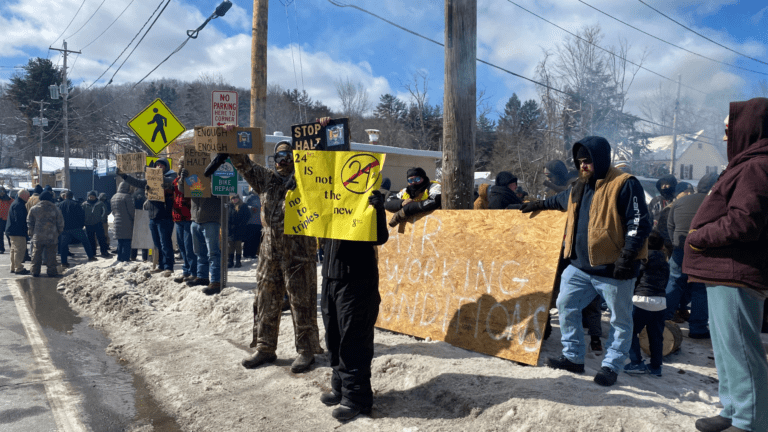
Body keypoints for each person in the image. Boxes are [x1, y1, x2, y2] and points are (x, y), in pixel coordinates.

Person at [520, 136, 652, 387]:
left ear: (601, 160)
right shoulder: (580, 187)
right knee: (565, 304)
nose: (583, 166)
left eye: (588, 161)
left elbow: (639, 222)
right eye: (579, 161)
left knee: (620, 319)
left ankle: (611, 366)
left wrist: (627, 257)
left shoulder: (624, 184)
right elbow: (557, 201)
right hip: (580, 267)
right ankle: (573, 357)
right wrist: (536, 204)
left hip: (614, 269)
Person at [685, 100, 768, 432]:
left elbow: (744, 221)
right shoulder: (747, 165)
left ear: (748, 127)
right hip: (724, 272)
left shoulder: (758, 166)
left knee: (742, 353)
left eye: (727, 130)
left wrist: (698, 236)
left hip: (737, 273)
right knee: (726, 350)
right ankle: (733, 410)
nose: (724, 138)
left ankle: (750, 422)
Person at [219, 140, 322, 374]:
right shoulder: (266, 179)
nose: (282, 160)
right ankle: (265, 348)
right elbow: (244, 164)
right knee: (266, 299)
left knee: (301, 299)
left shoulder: (309, 179)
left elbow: (327, 164)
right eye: (279, 156)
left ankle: (306, 351)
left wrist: (325, 134)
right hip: (269, 249)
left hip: (299, 249)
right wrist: (230, 140)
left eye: (288, 155)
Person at [319, 190, 389, 421]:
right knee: (334, 337)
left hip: (356, 280)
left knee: (353, 340)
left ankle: (357, 398)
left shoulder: (365, 198)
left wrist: (378, 209)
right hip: (330, 278)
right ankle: (340, 387)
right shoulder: (328, 198)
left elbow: (380, 237)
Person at [665, 173, 718, 338]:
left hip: (679, 248)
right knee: (700, 289)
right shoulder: (716, 203)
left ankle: (663, 321)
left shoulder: (680, 201)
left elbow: (670, 225)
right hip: (703, 251)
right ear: (714, 187)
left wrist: (675, 243)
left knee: (674, 282)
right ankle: (698, 328)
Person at [118, 158, 176, 276]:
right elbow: (137, 182)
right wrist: (124, 176)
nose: (159, 167)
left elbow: (170, 181)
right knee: (157, 244)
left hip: (165, 215)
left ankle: (169, 266)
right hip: (153, 215)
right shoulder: (150, 178)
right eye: (157, 165)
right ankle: (161, 265)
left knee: (166, 243)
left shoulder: (172, 175)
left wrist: (155, 175)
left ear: (166, 167)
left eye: (162, 166)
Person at [624, 231, 669, 377]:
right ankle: (656, 367)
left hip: (641, 301)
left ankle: (636, 362)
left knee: (630, 332)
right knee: (656, 336)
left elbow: (635, 279)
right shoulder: (665, 261)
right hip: (660, 302)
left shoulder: (643, 259)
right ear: (662, 246)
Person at [178, 168, 222, 294]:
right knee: (199, 252)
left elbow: (222, 194)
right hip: (195, 220)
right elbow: (182, 189)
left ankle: (215, 281)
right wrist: (183, 178)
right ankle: (202, 277)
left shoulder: (216, 175)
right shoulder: (193, 176)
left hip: (210, 220)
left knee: (213, 253)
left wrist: (210, 183)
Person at [27, 191, 64, 277]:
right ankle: (52, 271)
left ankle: (34, 271)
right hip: (52, 236)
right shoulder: (55, 208)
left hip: (38, 236)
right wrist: (58, 232)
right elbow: (60, 222)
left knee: (36, 254)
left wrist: (32, 233)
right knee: (51, 255)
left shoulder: (34, 208)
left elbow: (29, 222)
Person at [171, 158, 197, 283]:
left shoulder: (192, 178)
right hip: (178, 217)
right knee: (181, 246)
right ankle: (186, 271)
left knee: (189, 247)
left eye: (183, 164)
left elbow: (184, 190)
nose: (181, 166)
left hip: (188, 217)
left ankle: (193, 272)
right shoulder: (176, 179)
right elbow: (174, 190)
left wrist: (183, 178)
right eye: (180, 164)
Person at [57, 190, 96, 267]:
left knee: (63, 245)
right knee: (85, 241)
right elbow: (82, 216)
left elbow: (57, 217)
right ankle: (90, 256)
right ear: (72, 196)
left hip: (65, 228)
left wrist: (59, 227)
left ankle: (64, 262)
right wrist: (81, 225)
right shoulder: (76, 204)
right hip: (76, 228)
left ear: (65, 196)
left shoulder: (59, 205)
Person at [7, 189, 30, 275]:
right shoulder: (19, 205)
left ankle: (13, 267)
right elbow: (19, 219)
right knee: (19, 250)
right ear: (23, 196)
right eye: (28, 196)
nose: (29, 198)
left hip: (12, 230)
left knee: (13, 250)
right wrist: (25, 229)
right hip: (18, 231)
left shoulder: (16, 203)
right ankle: (18, 268)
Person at [110, 182, 135, 262]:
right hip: (127, 222)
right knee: (127, 242)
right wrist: (135, 219)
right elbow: (131, 211)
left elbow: (113, 211)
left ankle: (119, 257)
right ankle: (126, 258)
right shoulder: (127, 197)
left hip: (117, 221)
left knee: (120, 242)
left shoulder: (114, 197)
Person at [82, 191, 111, 258]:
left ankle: (104, 251)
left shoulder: (100, 203)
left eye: (93, 196)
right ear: (88, 197)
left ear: (95, 197)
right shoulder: (84, 204)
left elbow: (104, 211)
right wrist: (84, 221)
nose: (91, 198)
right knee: (91, 239)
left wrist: (101, 219)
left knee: (101, 238)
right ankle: (93, 252)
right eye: (90, 196)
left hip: (98, 223)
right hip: (88, 224)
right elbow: (81, 213)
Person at [227, 194, 250, 268]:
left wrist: (242, 224)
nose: (234, 199)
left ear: (238, 198)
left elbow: (247, 216)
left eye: (236, 198)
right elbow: (226, 217)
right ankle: (230, 261)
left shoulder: (243, 206)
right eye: (233, 198)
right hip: (230, 229)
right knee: (230, 246)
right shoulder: (229, 206)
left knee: (238, 246)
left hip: (240, 229)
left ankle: (238, 261)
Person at [242, 191, 262, 259]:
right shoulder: (250, 197)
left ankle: (253, 254)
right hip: (250, 222)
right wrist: (251, 208)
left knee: (256, 239)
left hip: (259, 222)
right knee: (249, 239)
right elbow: (244, 206)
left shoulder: (261, 197)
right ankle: (246, 253)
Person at [131, 189, 149, 262]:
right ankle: (145, 257)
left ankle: (133, 256)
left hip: (135, 217)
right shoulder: (147, 194)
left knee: (135, 238)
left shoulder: (134, 194)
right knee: (145, 239)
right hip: (145, 217)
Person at [0, 186, 12, 254]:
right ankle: (1, 249)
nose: (2, 193)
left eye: (3, 191)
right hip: (0, 219)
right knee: (0, 235)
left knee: (9, 235)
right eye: (0, 191)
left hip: (7, 219)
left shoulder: (9, 199)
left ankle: (12, 248)